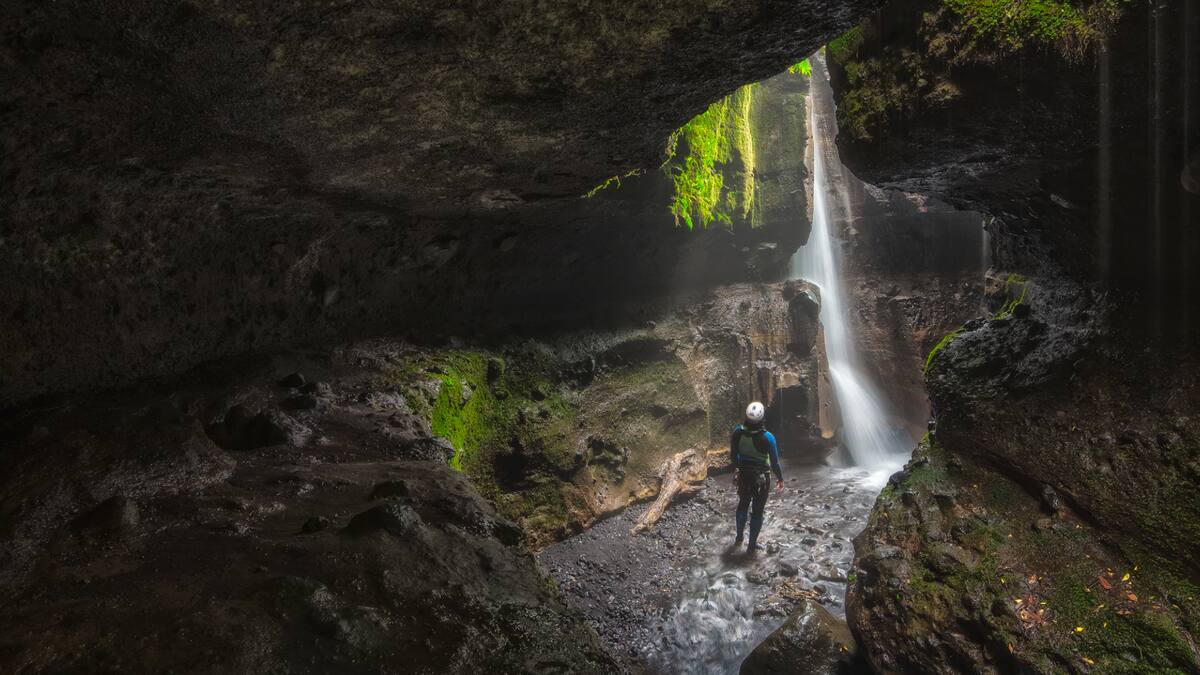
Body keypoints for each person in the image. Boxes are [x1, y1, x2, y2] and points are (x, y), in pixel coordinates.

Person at [731, 401, 783, 552]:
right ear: (762, 419)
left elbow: (733, 456)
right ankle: (751, 546)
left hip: (744, 475)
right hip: (761, 478)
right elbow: (775, 463)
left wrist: (738, 469)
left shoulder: (737, 432)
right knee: (757, 511)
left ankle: (739, 538)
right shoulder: (768, 437)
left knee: (743, 505)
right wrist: (780, 478)